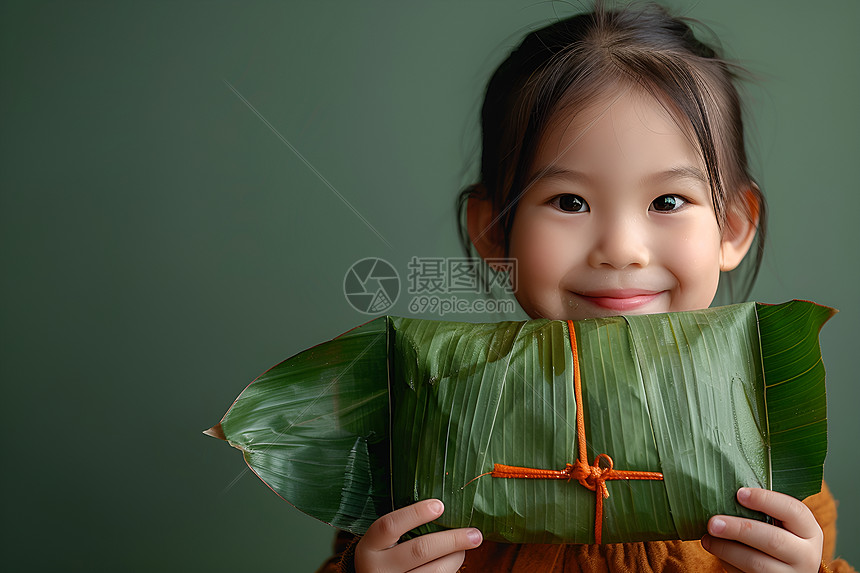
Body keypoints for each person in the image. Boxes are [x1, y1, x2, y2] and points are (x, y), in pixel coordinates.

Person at [317, 2, 854, 572]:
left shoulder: (767, 450)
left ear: (733, 226)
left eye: (668, 201)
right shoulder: (428, 444)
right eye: (569, 202)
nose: (621, 248)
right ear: (494, 230)